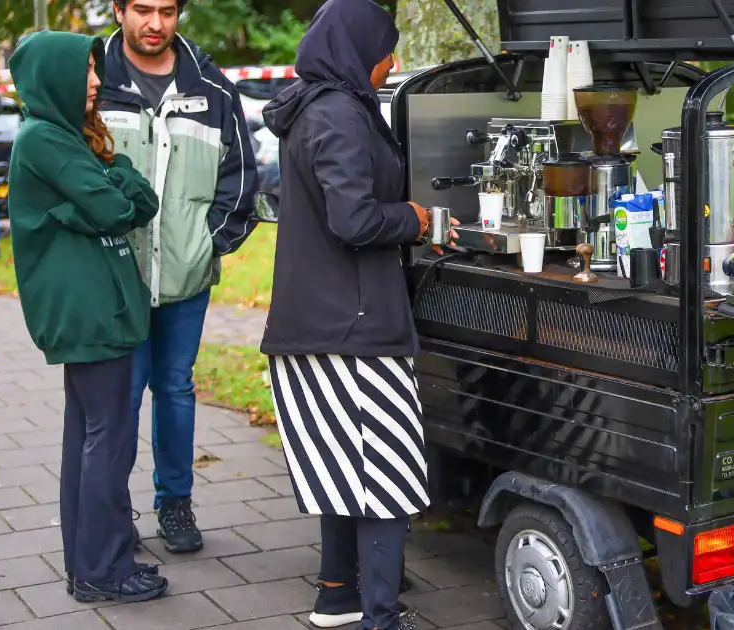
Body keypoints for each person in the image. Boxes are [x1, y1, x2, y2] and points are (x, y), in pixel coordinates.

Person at [259, 0, 456, 627]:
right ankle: (382, 614)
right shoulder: (341, 115)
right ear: (357, 50)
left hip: (314, 320)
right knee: (388, 469)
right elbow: (354, 220)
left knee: (342, 463)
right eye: (386, 49)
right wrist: (416, 220)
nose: (392, 61)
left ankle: (339, 594)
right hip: (356, 327)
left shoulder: (312, 106)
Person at [6, 29, 168, 603]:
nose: (98, 81)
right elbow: (114, 209)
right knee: (109, 437)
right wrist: (113, 184)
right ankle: (101, 570)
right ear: (55, 77)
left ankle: (94, 562)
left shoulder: (62, 136)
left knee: (88, 435)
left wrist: (114, 181)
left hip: (97, 306)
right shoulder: (46, 140)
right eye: (87, 72)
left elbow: (133, 199)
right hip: (88, 311)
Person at [98, 0, 259, 554]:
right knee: (119, 397)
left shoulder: (212, 86)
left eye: (167, 11)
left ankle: (175, 505)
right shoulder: (94, 75)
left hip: (186, 277)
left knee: (175, 389)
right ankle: (113, 514)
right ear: (118, 9)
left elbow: (240, 180)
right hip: (116, 278)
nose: (155, 23)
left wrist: (207, 246)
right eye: (142, 9)